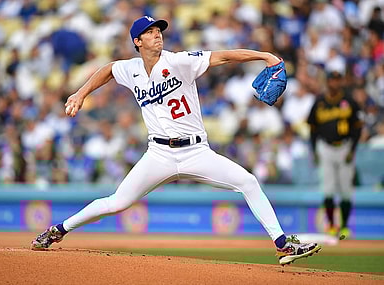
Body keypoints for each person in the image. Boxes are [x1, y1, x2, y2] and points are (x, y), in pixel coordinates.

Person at [31, 16, 321, 265]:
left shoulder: (180, 61)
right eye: (149, 32)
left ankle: (283, 244)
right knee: (117, 202)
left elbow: (224, 55)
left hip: (196, 150)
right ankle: (57, 230)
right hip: (158, 153)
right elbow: (107, 69)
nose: (157, 35)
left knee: (247, 181)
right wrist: (81, 93)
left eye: (159, 30)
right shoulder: (131, 69)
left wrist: (265, 56)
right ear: (137, 42)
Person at [307, 70, 363, 239]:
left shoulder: (349, 101)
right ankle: (331, 225)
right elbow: (312, 128)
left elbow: (357, 127)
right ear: (328, 82)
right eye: (332, 80)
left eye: (338, 80)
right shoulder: (320, 101)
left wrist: (353, 149)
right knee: (328, 189)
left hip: (345, 147)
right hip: (325, 147)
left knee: (346, 190)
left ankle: (344, 226)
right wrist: (314, 150)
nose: (335, 83)